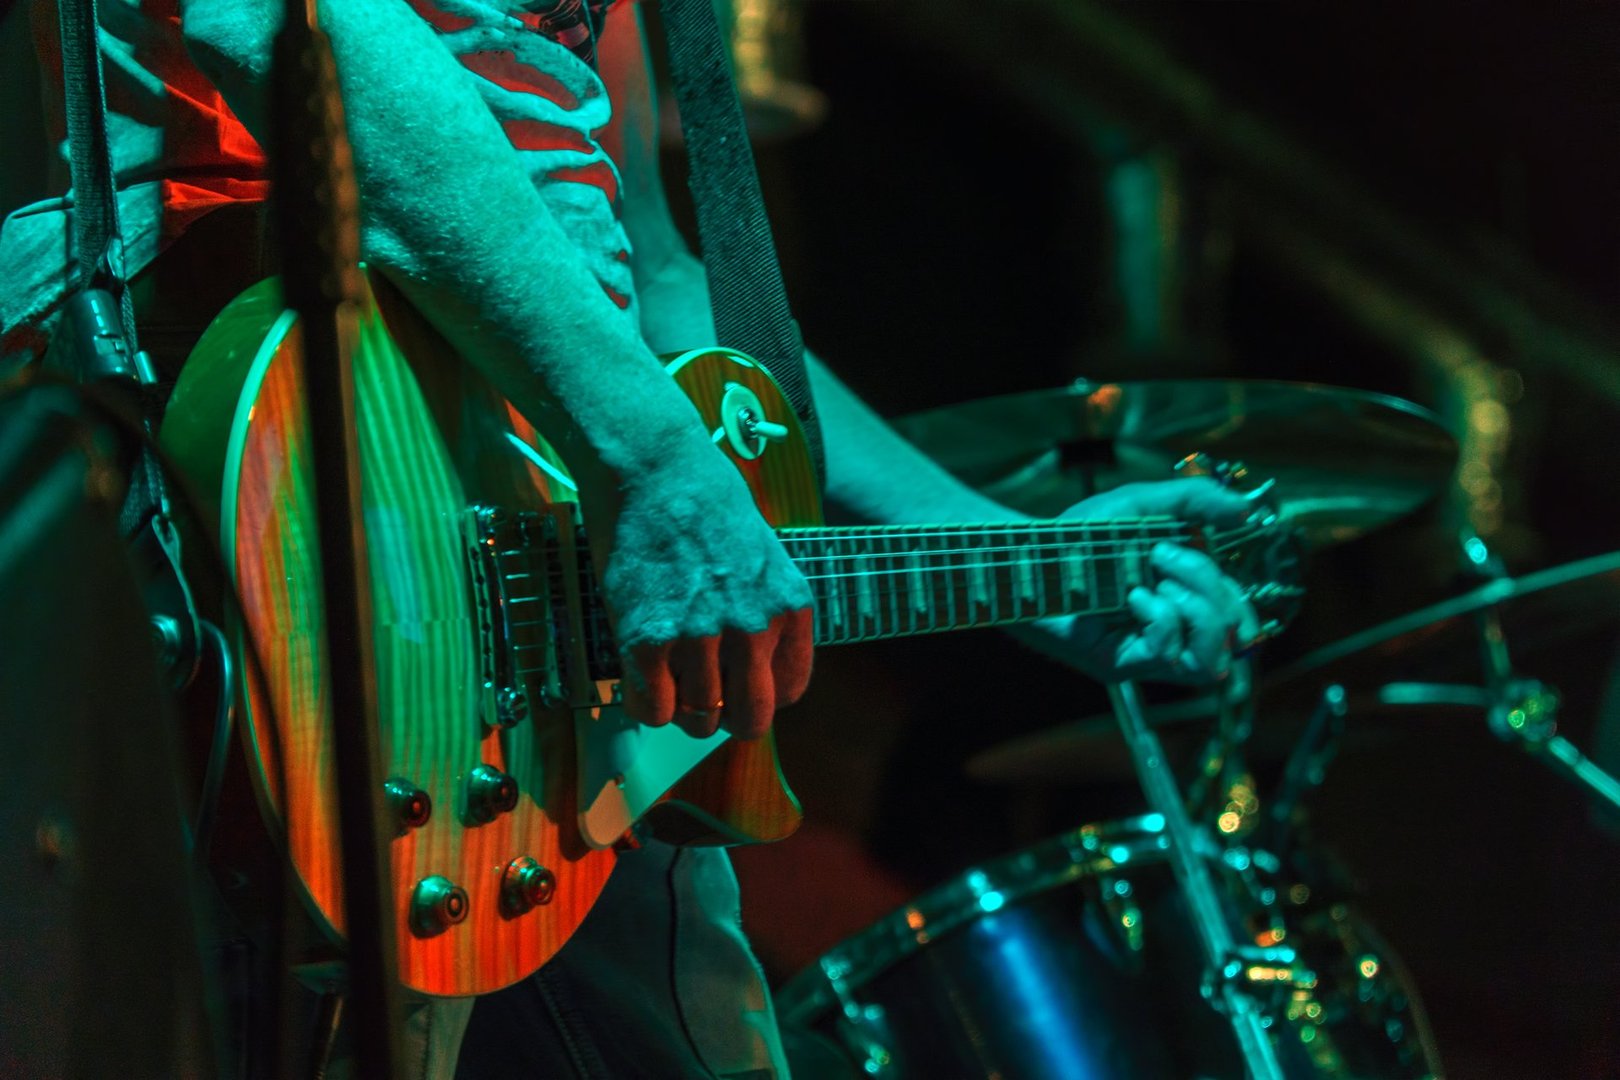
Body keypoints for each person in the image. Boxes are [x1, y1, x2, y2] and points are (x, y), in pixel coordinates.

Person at [1, 1, 1258, 1076]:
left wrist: (1013, 555)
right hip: (271, 473)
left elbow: (649, 270)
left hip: (563, 569)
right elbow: (286, 23)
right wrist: (649, 460)